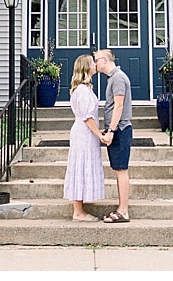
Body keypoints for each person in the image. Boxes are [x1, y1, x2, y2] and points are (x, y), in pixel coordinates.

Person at [63, 53, 106, 221]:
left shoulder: (86, 88)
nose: (96, 65)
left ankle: (80, 209)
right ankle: (78, 211)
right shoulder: (82, 90)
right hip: (83, 134)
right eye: (93, 63)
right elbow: (87, 117)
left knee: (83, 167)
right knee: (80, 167)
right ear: (86, 67)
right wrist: (99, 134)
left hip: (87, 133)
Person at [95, 48, 132, 223]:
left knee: (121, 170)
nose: (95, 64)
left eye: (96, 60)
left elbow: (119, 106)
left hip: (121, 130)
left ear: (104, 60)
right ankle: (121, 208)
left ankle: (123, 211)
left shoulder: (117, 78)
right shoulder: (114, 78)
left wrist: (111, 131)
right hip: (117, 129)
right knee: (118, 169)